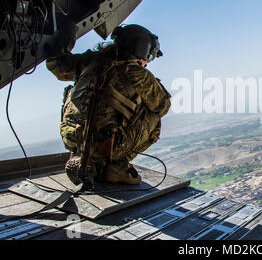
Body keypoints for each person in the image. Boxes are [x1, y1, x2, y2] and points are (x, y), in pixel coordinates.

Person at [46, 24, 171, 185]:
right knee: (153, 117)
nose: (148, 62)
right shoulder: (136, 73)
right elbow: (163, 106)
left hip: (72, 138)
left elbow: (57, 65)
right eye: (149, 57)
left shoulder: (90, 61)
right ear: (142, 51)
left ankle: (85, 157)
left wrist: (67, 33)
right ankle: (113, 165)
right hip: (104, 145)